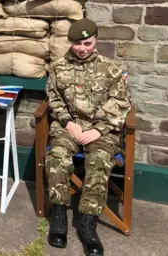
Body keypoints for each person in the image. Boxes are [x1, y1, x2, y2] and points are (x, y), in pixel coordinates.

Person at [46, 19, 131, 256]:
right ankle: (59, 216)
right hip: (69, 127)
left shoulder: (111, 69)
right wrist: (67, 122)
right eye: (77, 43)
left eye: (87, 42)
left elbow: (122, 103)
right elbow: (53, 99)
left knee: (100, 159)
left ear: (96, 40)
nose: (82, 48)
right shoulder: (58, 67)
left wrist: (99, 130)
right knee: (57, 156)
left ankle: (88, 224)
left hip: (101, 130)